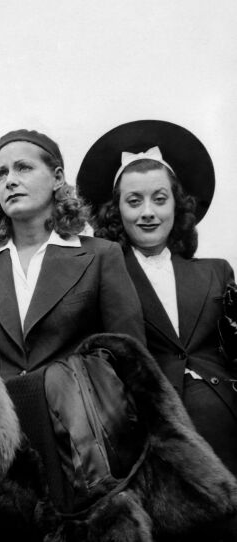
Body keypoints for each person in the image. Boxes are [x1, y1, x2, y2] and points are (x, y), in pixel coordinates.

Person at [79, 119, 237, 475]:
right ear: (116, 211)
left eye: (159, 199)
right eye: (134, 201)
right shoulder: (101, 276)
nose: (148, 212)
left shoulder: (217, 271)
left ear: (176, 206)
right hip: (153, 440)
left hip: (226, 432)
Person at [0, 129, 145, 380]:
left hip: (77, 402)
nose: (10, 180)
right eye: (1, 174)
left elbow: (130, 360)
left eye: (24, 168)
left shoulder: (101, 256)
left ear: (57, 178)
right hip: (1, 405)